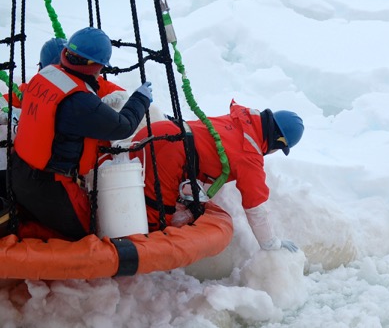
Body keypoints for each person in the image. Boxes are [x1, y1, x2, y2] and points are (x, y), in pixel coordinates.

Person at [11, 27, 153, 240]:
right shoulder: (80, 101)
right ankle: (28, 237)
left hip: (19, 173)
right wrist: (140, 99)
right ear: (98, 66)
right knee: (88, 234)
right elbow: (123, 126)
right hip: (50, 188)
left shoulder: (45, 76)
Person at [131, 99, 304, 252]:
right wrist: (271, 243)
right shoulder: (250, 155)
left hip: (158, 132)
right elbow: (255, 207)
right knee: (155, 222)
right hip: (169, 153)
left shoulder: (241, 120)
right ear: (277, 142)